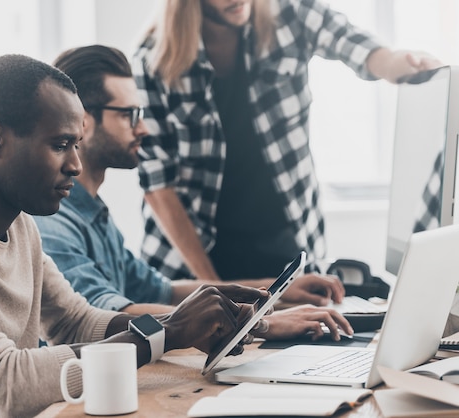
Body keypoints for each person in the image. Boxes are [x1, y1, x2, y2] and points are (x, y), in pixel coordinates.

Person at [0, 54, 276, 418]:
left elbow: (75, 321)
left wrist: (180, 323)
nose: (77, 165)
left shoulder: (18, 221)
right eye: (61, 145)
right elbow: (3, 383)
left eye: (77, 145)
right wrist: (166, 333)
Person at [33, 44, 352, 342]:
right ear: (83, 121)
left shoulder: (93, 213)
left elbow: (163, 291)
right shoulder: (55, 223)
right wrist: (257, 323)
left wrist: (274, 291)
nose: (143, 129)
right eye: (129, 115)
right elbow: (107, 317)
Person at [131, 0, 443, 282]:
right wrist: (215, 288)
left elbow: (349, 41)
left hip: (283, 247)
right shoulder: (153, 61)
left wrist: (392, 63)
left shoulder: (291, 14)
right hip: (194, 262)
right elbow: (159, 187)